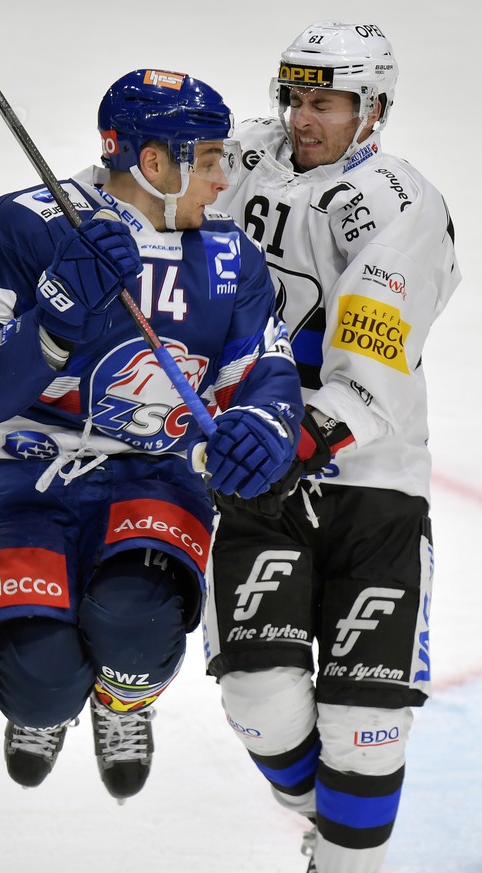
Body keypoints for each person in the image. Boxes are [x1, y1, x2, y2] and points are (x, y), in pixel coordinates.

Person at [0, 67, 303, 801]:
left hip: (155, 472)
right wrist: (52, 317)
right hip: (24, 469)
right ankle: (49, 703)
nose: (221, 177)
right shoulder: (25, 226)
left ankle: (122, 700)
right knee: (40, 682)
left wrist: (263, 426)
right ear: (152, 163)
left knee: (135, 633)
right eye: (206, 159)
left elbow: (262, 373)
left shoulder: (232, 259)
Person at [203, 21, 461, 873]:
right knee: (259, 701)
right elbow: (145, 199)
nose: (303, 118)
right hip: (255, 469)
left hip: (371, 482)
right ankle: (334, 824)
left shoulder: (400, 201)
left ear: (372, 109)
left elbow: (373, 349)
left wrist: (305, 429)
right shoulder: (237, 159)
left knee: (365, 722)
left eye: (326, 102)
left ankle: (350, 859)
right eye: (296, 98)